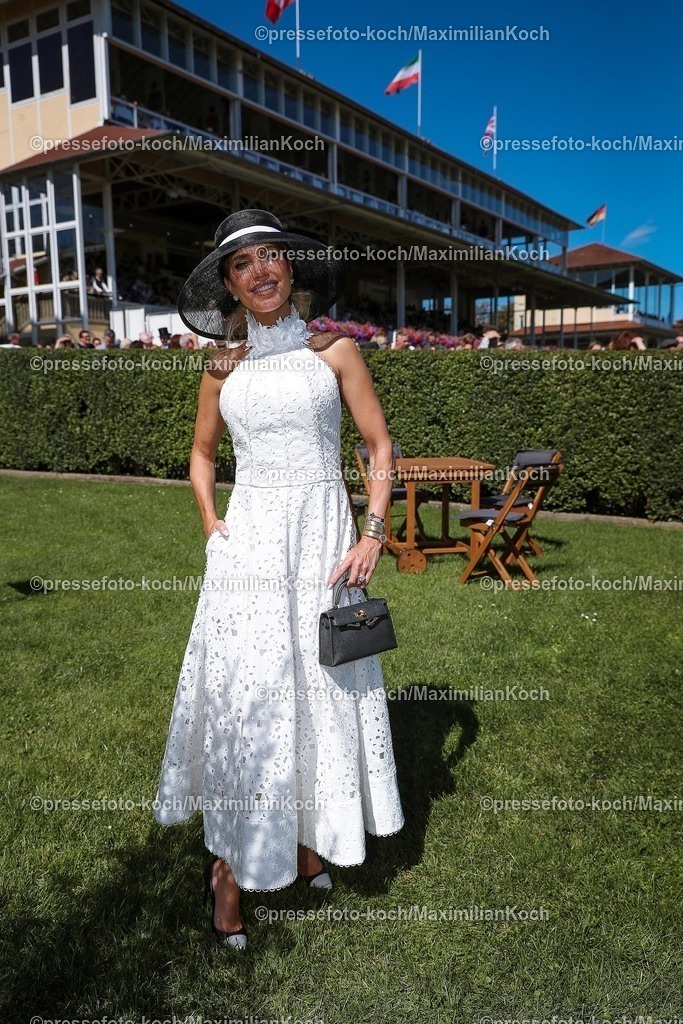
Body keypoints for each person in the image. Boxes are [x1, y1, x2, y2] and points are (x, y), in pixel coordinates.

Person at [153, 209, 404, 951]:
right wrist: (209, 524)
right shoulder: (221, 368)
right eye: (242, 264)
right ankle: (228, 875)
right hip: (251, 548)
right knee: (250, 696)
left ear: (290, 269)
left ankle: (307, 840)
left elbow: (379, 444)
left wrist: (373, 533)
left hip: (325, 543)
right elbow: (200, 455)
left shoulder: (336, 352)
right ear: (228, 284)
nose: (260, 272)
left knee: (321, 688)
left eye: (270, 258)